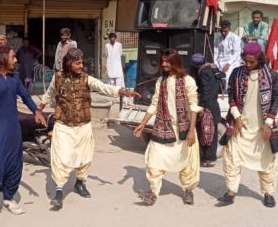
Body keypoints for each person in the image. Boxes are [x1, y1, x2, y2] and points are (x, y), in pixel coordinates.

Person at [40, 47, 138, 210]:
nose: (81, 65)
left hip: (83, 126)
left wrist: (123, 91)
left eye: (81, 62)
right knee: (60, 157)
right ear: (69, 63)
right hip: (63, 125)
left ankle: (80, 183)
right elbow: (49, 93)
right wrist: (39, 109)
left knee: (84, 157)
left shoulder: (86, 79)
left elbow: (103, 87)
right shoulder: (57, 78)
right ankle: (58, 191)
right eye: (77, 63)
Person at [0, 45, 46, 227]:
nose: (16, 60)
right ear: (2, 58)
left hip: (13, 130)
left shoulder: (14, 79)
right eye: (12, 56)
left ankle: (8, 199)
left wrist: (36, 111)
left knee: (14, 165)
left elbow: (25, 96)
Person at [133, 49, 201, 206]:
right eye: (162, 61)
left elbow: (193, 106)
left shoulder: (187, 80)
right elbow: (154, 104)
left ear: (175, 62)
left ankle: (188, 190)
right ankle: (153, 192)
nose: (163, 64)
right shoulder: (160, 81)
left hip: (184, 130)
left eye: (167, 61)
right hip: (163, 128)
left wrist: (191, 130)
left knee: (187, 162)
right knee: (154, 159)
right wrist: (142, 124)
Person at [218, 43, 278, 208]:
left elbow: (277, 98)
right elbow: (231, 94)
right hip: (240, 126)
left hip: (262, 128)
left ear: (259, 59)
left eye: (251, 62)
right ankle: (231, 191)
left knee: (266, 161)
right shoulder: (237, 73)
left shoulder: (272, 75)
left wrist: (268, 123)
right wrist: (237, 117)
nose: (247, 64)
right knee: (231, 157)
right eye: (245, 61)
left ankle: (268, 192)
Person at [190, 53, 222, 167]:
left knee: (205, 131)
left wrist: (202, 105)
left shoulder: (203, 72)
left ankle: (208, 158)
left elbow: (205, 90)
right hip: (214, 104)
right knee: (211, 132)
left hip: (208, 106)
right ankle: (209, 157)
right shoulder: (212, 67)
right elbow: (221, 77)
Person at [214, 19, 241, 84]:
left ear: (229, 29)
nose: (223, 33)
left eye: (225, 31)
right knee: (215, 75)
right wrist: (214, 62)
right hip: (220, 61)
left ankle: (227, 93)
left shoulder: (235, 38)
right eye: (221, 31)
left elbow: (236, 53)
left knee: (227, 76)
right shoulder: (218, 39)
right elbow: (215, 52)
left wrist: (228, 64)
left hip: (232, 61)